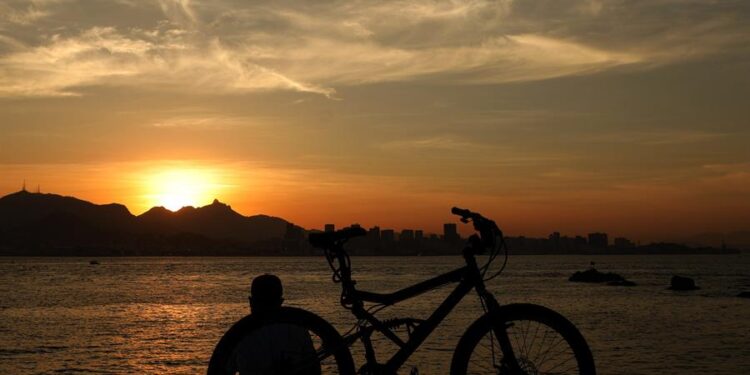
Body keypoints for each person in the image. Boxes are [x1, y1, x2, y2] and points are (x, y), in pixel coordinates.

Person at [228, 274, 321, 375]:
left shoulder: (239, 334)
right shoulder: (298, 330)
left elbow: (224, 369)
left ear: (251, 301)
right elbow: (314, 368)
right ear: (280, 301)